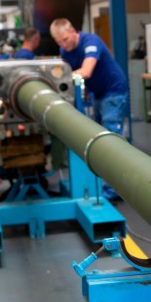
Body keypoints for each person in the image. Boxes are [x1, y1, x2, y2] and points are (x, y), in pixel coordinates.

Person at [50, 18, 129, 200]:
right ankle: (105, 183)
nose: (63, 45)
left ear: (73, 32)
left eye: (65, 40)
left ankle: (112, 191)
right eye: (59, 42)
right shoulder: (64, 51)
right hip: (98, 93)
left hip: (114, 91)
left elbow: (86, 71)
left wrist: (58, 79)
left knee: (111, 142)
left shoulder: (91, 41)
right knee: (101, 139)